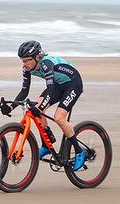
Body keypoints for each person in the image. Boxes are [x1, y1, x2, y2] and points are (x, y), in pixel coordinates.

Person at [9, 40, 85, 169]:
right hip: (57, 85)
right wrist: (11, 106)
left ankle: (79, 151)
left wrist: (40, 107)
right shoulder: (27, 69)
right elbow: (24, 91)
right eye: (22, 60)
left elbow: (50, 89)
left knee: (59, 118)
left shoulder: (46, 64)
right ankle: (46, 145)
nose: (24, 64)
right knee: (37, 110)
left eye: (27, 60)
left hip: (73, 84)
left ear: (37, 57)